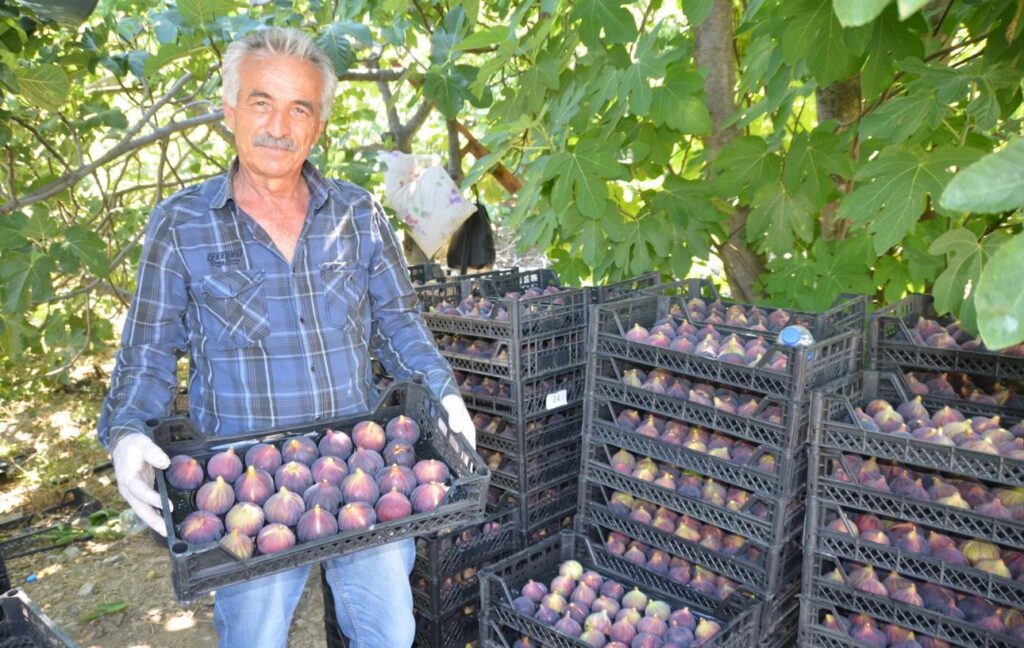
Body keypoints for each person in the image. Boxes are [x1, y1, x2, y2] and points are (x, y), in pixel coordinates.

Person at [97, 26, 476, 648]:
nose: (278, 126)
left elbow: (399, 322)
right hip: (244, 486)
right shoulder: (181, 224)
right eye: (261, 102)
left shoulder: (357, 213)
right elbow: (148, 352)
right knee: (255, 637)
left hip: (361, 466)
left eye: (299, 108)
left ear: (318, 125)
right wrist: (128, 431)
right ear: (229, 110)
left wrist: (443, 390)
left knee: (389, 632)